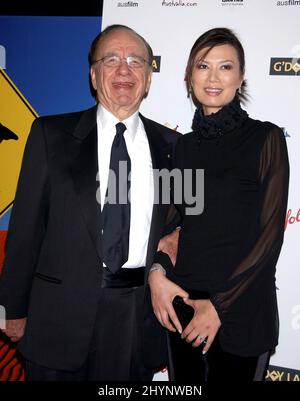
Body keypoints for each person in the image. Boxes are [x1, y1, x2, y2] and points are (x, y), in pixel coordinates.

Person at [0, 24, 180, 381]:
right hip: (57, 319)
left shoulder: (174, 147)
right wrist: (11, 310)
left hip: (136, 321)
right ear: (94, 76)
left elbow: (188, 219)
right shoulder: (51, 136)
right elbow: (25, 230)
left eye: (136, 61)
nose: (124, 69)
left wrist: (174, 243)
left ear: (148, 77)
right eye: (111, 59)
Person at [148, 27, 289, 382]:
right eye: (202, 66)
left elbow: (269, 239)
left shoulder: (265, 138)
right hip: (184, 311)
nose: (213, 77)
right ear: (188, 76)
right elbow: (171, 226)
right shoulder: (182, 148)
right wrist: (156, 272)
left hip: (242, 312)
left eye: (225, 67)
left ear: (240, 77)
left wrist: (220, 306)